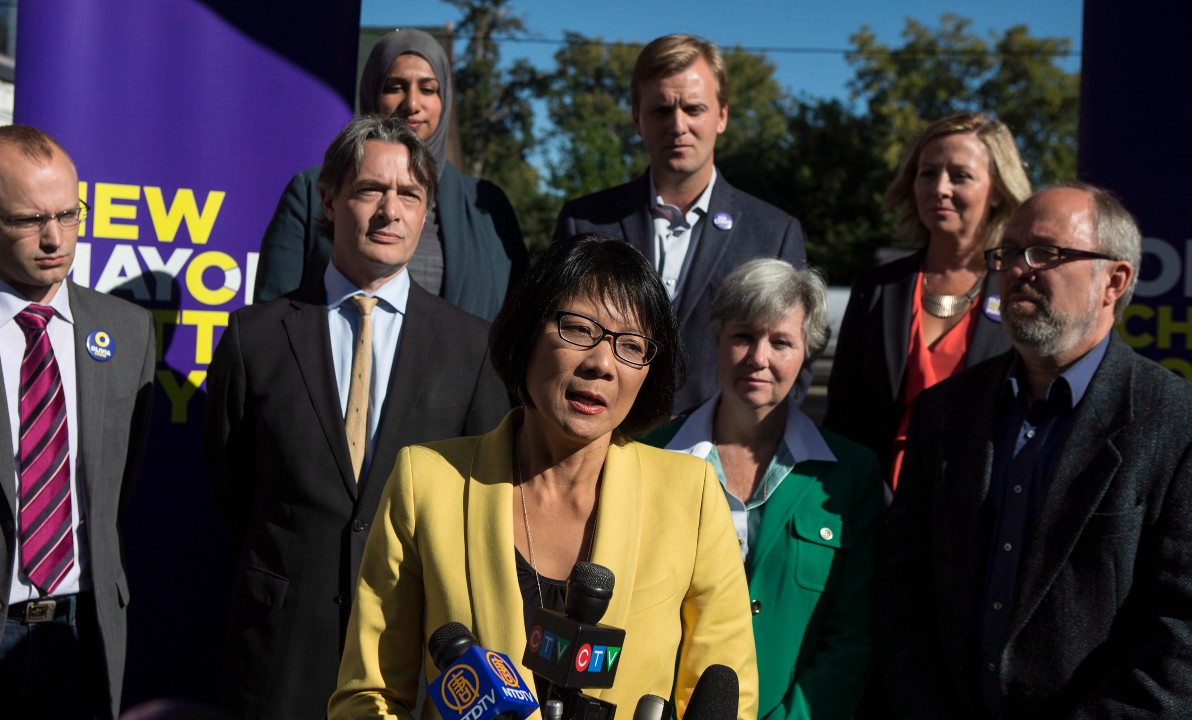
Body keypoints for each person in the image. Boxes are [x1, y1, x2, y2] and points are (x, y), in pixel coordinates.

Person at [330, 234, 758, 719]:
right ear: (527, 333)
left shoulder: (692, 495)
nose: (601, 364)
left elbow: (729, 691)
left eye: (631, 346)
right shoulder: (427, 481)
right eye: (578, 329)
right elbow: (369, 694)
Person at [205, 115, 510, 719]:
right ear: (328, 198)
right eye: (371, 189)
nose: (389, 210)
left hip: (413, 662)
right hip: (280, 655)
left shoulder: (475, 350)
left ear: (427, 212)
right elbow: (232, 489)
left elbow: (481, 509)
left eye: (409, 195)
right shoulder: (254, 338)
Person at [879, 184, 1192, 717]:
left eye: (1046, 253)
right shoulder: (944, 412)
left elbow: (1179, 638)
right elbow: (903, 590)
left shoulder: (1174, 421)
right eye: (1007, 253)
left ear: (1114, 281)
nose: (1018, 269)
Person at [0, 125, 156, 718]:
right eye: (27, 220)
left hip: (82, 637)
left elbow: (116, 488)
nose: (54, 237)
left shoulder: (127, 331)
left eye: (69, 214)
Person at [642, 259, 880, 720]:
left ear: (806, 353)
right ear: (717, 339)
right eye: (743, 336)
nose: (759, 357)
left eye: (781, 342)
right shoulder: (649, 455)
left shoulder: (851, 473)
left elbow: (852, 635)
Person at [553, 34, 806, 414]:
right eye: (660, 110)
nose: (678, 125)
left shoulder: (773, 233)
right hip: (603, 451)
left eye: (693, 108)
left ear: (721, 115)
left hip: (716, 460)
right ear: (637, 118)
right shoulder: (584, 221)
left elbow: (791, 366)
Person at [253, 28, 527, 321]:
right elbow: (271, 324)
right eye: (395, 87)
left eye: (427, 89)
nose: (412, 104)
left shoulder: (488, 208)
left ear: (444, 98)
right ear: (372, 91)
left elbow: (522, 319)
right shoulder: (311, 192)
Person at [825, 112, 1032, 492]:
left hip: (983, 513)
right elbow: (843, 417)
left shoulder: (1021, 287)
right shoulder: (877, 288)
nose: (939, 187)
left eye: (960, 175)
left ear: (998, 189)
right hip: (879, 510)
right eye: (927, 173)